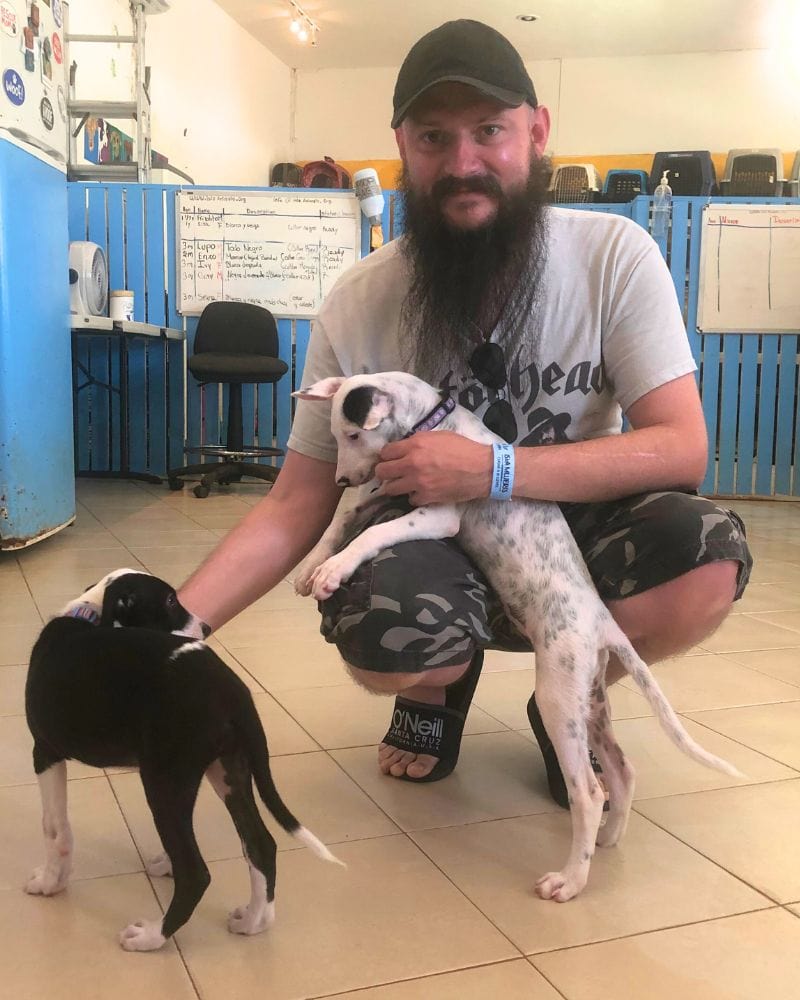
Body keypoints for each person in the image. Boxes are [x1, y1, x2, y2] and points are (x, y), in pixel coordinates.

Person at [178, 19, 752, 803]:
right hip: (430, 543)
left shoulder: (614, 257)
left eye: (490, 131)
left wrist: (496, 468)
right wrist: (171, 632)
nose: (463, 163)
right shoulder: (359, 299)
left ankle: (573, 689)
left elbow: (682, 447)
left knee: (704, 558)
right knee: (385, 633)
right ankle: (433, 690)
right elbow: (294, 504)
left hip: (566, 536)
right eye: (434, 137)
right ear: (401, 147)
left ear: (538, 132)